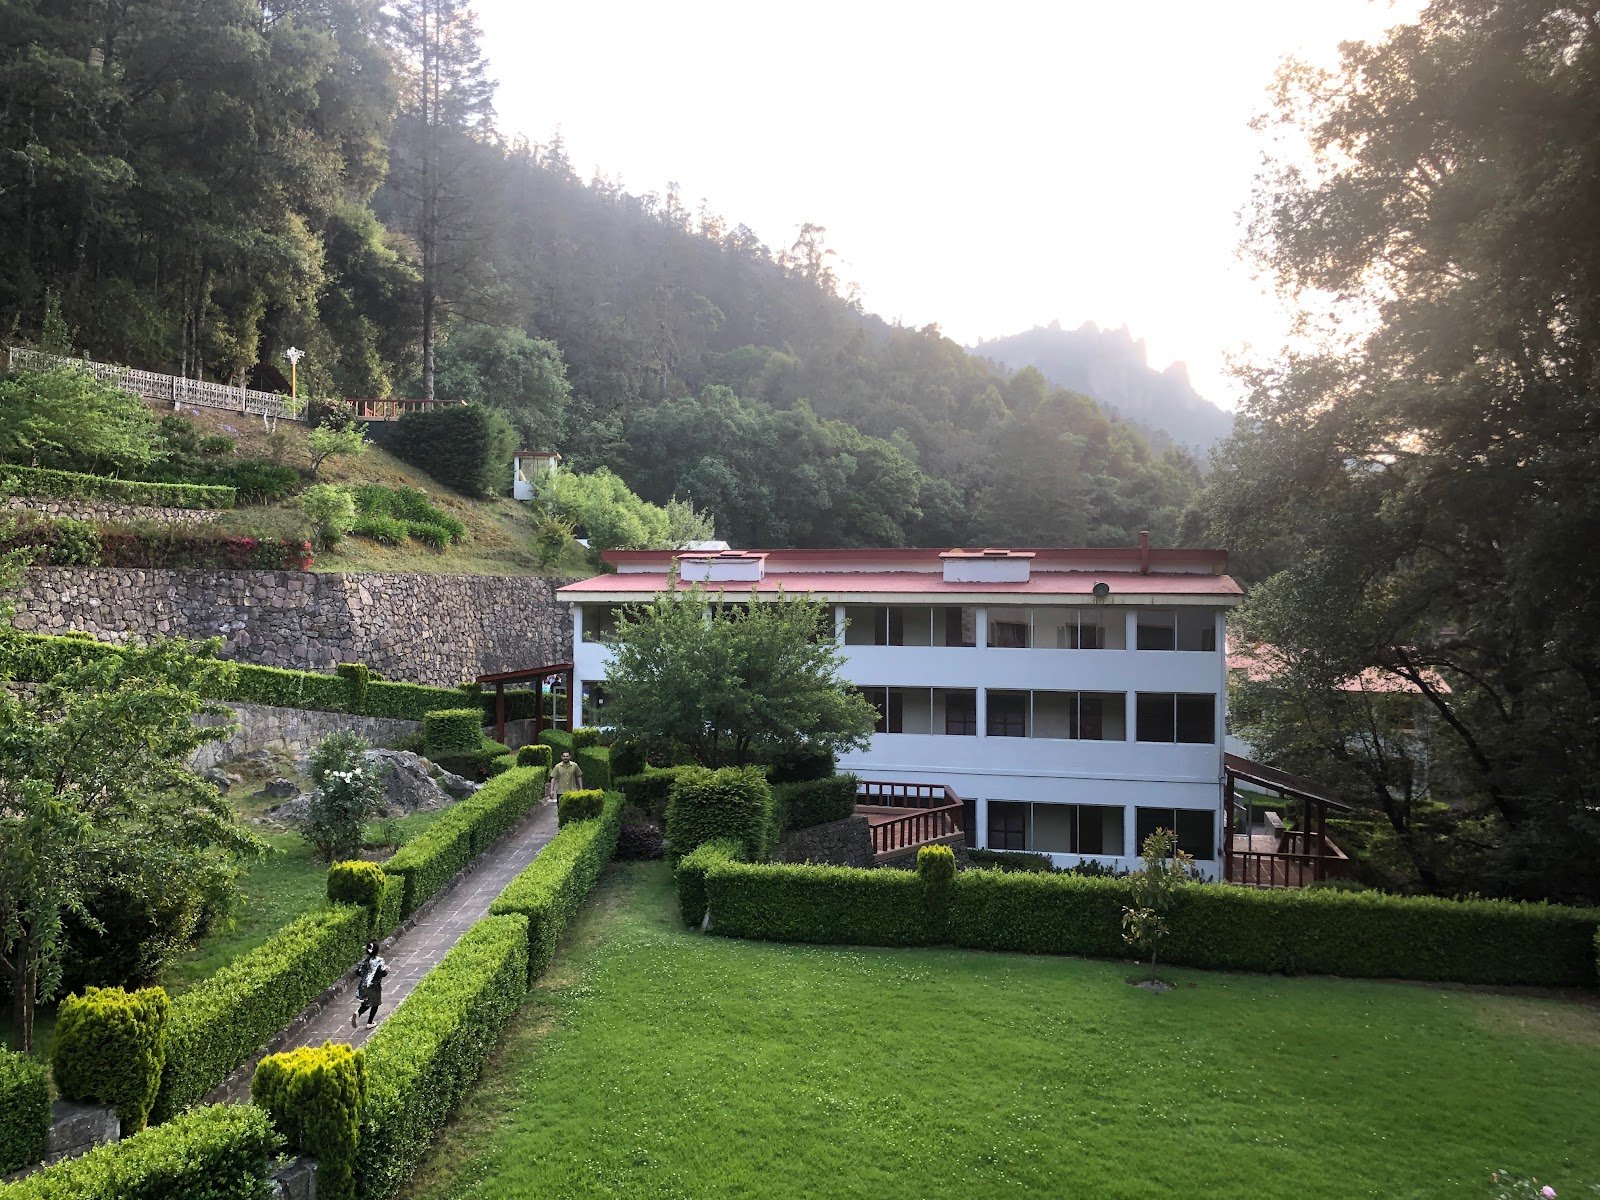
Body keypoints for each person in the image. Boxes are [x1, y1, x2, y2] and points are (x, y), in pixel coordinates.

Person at [353, 941, 388, 1028]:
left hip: (363, 985)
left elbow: (358, 972)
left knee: (366, 1002)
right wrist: (386, 969)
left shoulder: (364, 961)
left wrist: (366, 974)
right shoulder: (379, 961)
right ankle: (370, 1022)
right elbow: (384, 973)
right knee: (375, 1004)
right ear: (377, 950)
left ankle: (358, 1013)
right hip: (374, 986)